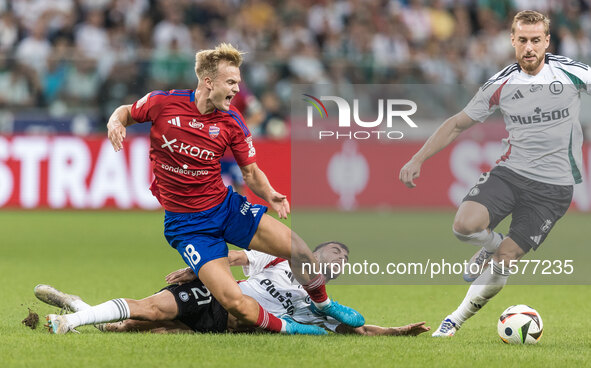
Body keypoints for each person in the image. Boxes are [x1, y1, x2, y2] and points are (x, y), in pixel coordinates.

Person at [46, 43, 363, 335]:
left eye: (238, 83)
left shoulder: (232, 122)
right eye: (231, 83)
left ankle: (324, 304)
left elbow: (250, 172)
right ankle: (295, 329)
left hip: (226, 209)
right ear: (209, 81)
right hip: (190, 226)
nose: (237, 89)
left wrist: (269, 193)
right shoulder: (162, 103)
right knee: (234, 302)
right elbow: (126, 111)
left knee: (298, 248)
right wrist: (115, 123)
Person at [399, 10, 589, 337]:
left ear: (547, 41)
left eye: (536, 40)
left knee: (506, 259)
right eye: (523, 40)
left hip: (554, 188)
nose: (529, 48)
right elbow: (458, 122)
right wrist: (418, 158)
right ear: (513, 41)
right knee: (463, 226)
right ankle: (489, 244)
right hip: (511, 173)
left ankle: (454, 319)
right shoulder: (501, 83)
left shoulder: (572, 72)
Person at [38, 242, 429, 336]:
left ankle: (75, 306)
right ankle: (67, 321)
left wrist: (397, 331)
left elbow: (357, 329)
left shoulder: (320, 306)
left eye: (341, 260)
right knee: (149, 309)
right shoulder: (277, 257)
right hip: (216, 295)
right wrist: (199, 270)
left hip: (222, 325)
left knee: (126, 328)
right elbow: (234, 257)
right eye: (332, 250)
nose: (335, 257)